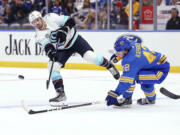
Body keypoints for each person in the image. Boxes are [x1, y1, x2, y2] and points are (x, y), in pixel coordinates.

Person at [28, 10, 120, 106]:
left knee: (90, 56)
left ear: (41, 18)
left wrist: (64, 29)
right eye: (34, 22)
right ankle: (60, 95)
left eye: (37, 20)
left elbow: (71, 21)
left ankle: (109, 66)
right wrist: (51, 53)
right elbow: (47, 47)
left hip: (74, 40)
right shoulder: (38, 36)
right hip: (62, 49)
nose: (37, 23)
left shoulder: (51, 17)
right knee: (52, 65)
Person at [106, 35, 170, 107]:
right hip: (158, 64)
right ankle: (149, 99)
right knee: (141, 79)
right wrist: (118, 56)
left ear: (126, 50)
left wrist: (116, 93)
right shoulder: (133, 44)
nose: (116, 53)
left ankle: (128, 99)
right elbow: (135, 54)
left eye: (119, 51)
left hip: (159, 72)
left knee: (133, 78)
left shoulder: (130, 61)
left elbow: (126, 81)